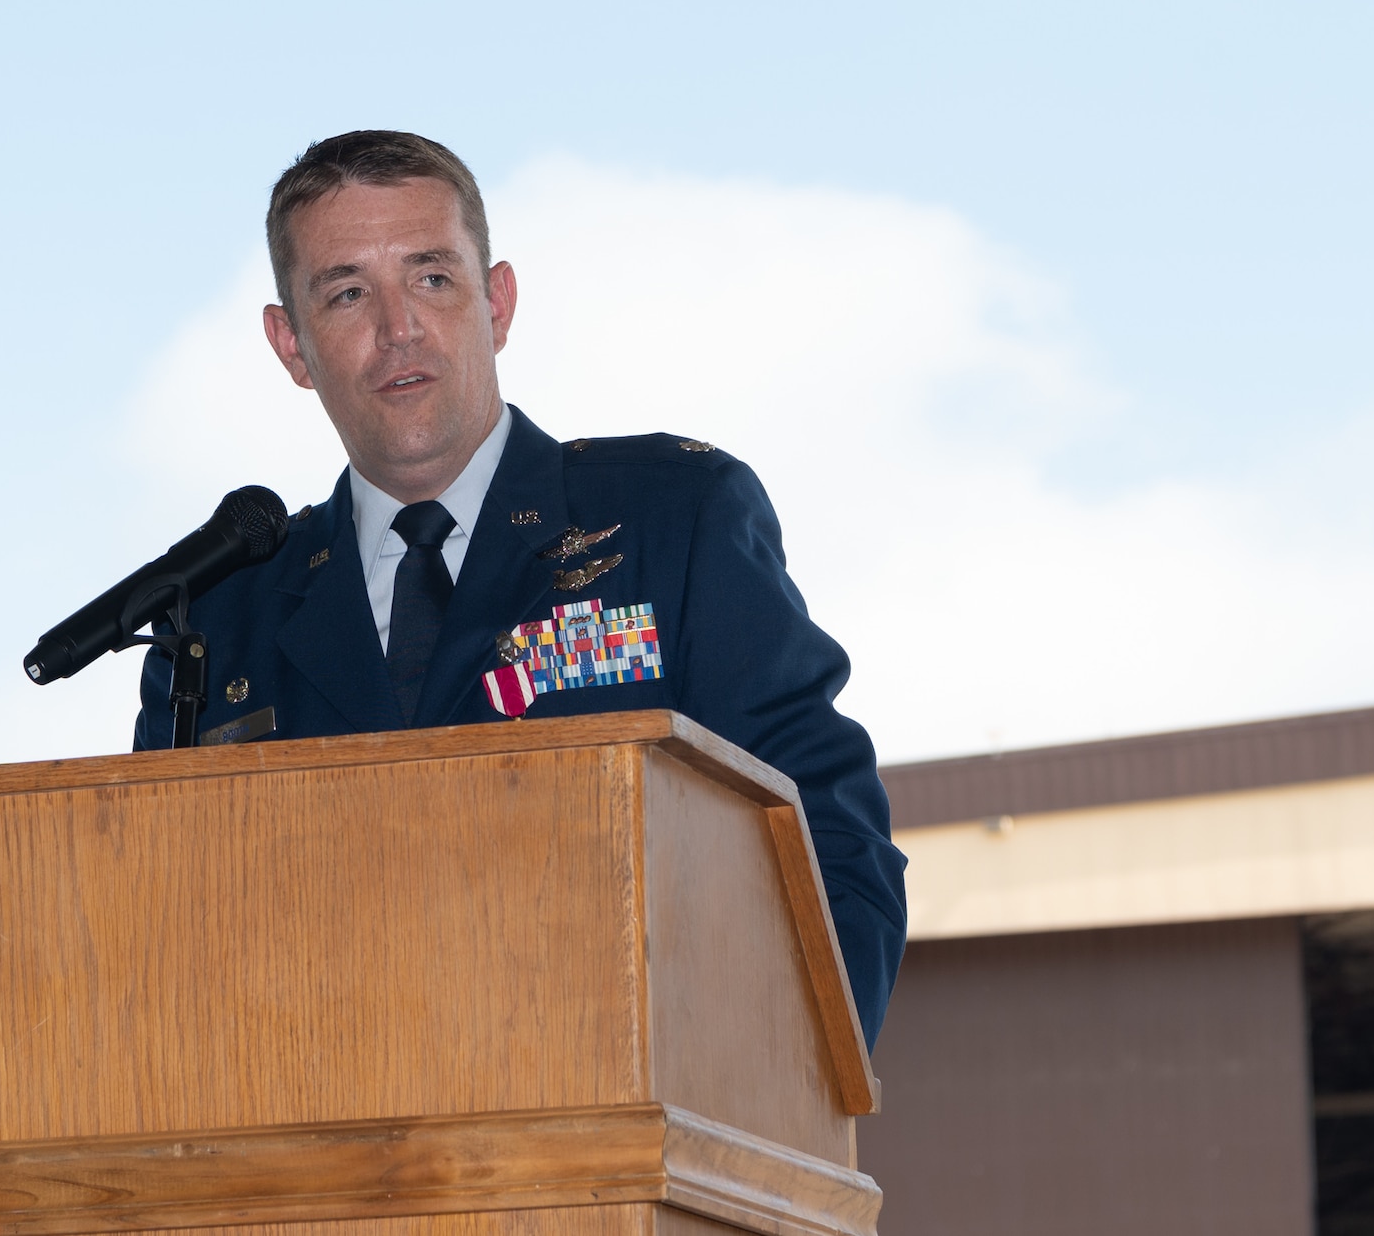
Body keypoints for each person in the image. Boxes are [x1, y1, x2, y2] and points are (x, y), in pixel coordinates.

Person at [134, 130, 907, 1047]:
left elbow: (825, 840)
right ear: (290, 344)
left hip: (622, 1133)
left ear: (497, 302)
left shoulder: (671, 520)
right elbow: (163, 937)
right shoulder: (222, 616)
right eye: (347, 293)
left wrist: (767, 1098)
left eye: (431, 277)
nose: (399, 329)